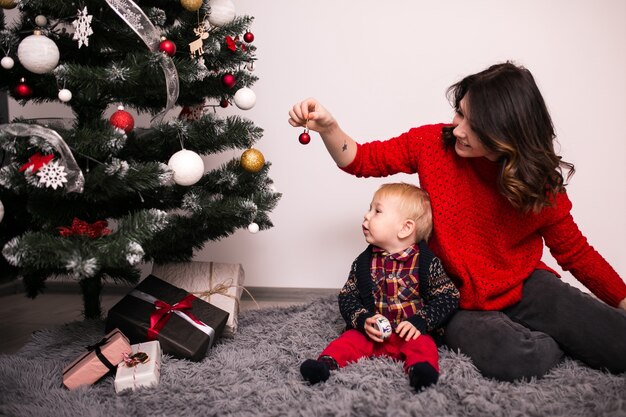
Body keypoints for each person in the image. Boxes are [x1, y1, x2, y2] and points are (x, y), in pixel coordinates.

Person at [289, 62, 626, 382]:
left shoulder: (538, 184)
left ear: (506, 136)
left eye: (474, 126)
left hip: (524, 284)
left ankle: (563, 328)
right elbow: (362, 160)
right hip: (453, 300)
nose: (458, 129)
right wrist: (329, 128)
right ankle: (554, 340)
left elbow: (577, 254)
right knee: (520, 359)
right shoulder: (432, 143)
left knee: (617, 343)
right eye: (460, 112)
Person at [300, 182, 460, 391]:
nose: (366, 216)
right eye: (369, 209)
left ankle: (421, 370)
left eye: (377, 211)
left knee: (423, 345)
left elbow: (448, 296)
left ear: (405, 228)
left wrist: (421, 321)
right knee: (349, 340)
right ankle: (325, 364)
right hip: (373, 334)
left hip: (409, 333)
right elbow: (348, 296)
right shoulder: (363, 263)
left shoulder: (427, 263)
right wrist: (364, 320)